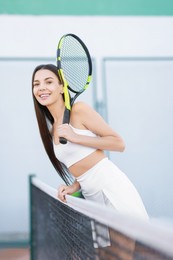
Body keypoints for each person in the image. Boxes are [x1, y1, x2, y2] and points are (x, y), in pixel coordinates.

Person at [32, 63, 149, 221]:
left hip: (111, 188)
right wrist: (74, 185)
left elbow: (118, 143)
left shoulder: (79, 110)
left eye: (49, 82)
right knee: (104, 247)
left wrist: (76, 137)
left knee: (121, 246)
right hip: (92, 198)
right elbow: (81, 161)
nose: (42, 88)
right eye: (36, 84)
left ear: (61, 87)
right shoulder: (54, 129)